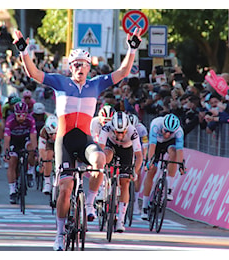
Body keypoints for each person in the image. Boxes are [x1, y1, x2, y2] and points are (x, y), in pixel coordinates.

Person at [12, 27, 142, 251]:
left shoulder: (96, 84)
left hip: (84, 139)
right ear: (70, 67)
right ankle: (60, 235)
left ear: (89, 67)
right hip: (64, 140)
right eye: (75, 64)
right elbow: (34, 73)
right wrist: (23, 51)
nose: (79, 67)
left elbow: (122, 72)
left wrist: (131, 49)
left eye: (83, 64)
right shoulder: (60, 82)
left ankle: (90, 204)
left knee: (100, 159)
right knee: (66, 188)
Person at [98, 111, 142, 232]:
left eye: (123, 132)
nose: (120, 134)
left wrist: (135, 172)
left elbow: (139, 156)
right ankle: (102, 188)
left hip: (126, 151)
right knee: (105, 156)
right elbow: (99, 149)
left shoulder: (133, 131)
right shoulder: (107, 127)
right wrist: (99, 167)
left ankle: (121, 220)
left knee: (125, 182)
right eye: (117, 132)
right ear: (113, 128)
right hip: (111, 146)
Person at [141, 113, 185, 220]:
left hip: (169, 144)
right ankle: (145, 206)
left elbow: (180, 150)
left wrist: (181, 165)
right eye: (166, 131)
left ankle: (169, 188)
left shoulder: (179, 131)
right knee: (151, 171)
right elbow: (152, 145)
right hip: (156, 143)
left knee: (174, 154)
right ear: (163, 127)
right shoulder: (156, 124)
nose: (168, 134)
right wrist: (150, 162)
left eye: (171, 132)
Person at [3, 102, 37, 204]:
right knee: (12, 162)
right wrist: (6, 152)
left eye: (24, 115)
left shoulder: (31, 120)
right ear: (15, 114)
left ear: (27, 114)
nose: (21, 118)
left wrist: (35, 151)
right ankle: (12, 191)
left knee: (31, 148)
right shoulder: (10, 120)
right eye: (19, 115)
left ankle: (30, 171)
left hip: (25, 140)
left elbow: (33, 136)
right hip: (14, 141)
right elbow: (6, 138)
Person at [127, 112, 148, 215]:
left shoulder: (142, 129)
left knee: (137, 173)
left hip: (137, 148)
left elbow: (145, 145)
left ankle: (135, 200)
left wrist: (144, 158)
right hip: (125, 146)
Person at [38, 114, 58, 194]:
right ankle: (47, 182)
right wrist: (43, 162)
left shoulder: (62, 130)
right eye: (50, 134)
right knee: (48, 155)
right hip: (49, 145)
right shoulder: (43, 132)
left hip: (60, 143)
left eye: (55, 133)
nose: (53, 136)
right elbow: (42, 149)